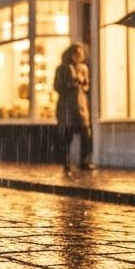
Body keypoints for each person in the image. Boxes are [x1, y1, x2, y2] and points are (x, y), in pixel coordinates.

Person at [53, 43, 93, 173]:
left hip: (80, 106)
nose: (80, 57)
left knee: (86, 133)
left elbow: (87, 86)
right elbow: (57, 86)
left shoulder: (83, 69)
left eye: (81, 54)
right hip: (67, 107)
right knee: (67, 136)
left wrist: (82, 82)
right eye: (78, 54)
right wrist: (70, 83)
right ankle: (66, 163)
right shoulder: (62, 69)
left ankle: (84, 161)